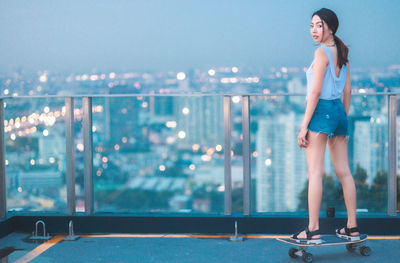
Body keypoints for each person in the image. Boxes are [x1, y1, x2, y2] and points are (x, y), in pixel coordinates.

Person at [291, 8, 361, 244]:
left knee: (315, 173)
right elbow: (348, 91)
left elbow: (316, 91)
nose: (314, 30)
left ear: (330, 27)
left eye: (319, 25)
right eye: (312, 25)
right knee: (344, 172)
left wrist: (304, 127)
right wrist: (342, 118)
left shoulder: (321, 53)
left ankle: (312, 230)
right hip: (340, 112)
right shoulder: (342, 52)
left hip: (321, 112)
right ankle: (352, 227)